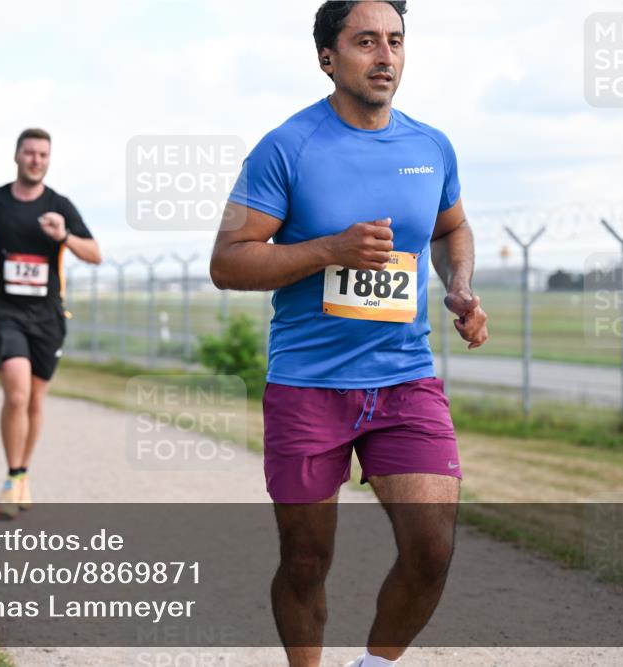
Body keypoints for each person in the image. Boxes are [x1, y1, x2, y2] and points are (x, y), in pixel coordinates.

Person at [209, 3, 489, 666]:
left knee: (433, 546)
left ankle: (374, 662)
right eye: (366, 42)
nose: (385, 56)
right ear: (328, 58)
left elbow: (451, 229)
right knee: (305, 558)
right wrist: (330, 248)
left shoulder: (431, 145)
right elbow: (229, 259)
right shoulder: (288, 146)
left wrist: (458, 285)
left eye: (395, 41)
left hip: (404, 376)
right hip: (308, 386)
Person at [0, 128, 101, 519]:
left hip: (47, 318)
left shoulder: (60, 205)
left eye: (42, 154)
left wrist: (65, 236)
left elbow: (94, 254)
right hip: (4, 313)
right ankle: (12, 476)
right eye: (29, 153)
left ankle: (23, 474)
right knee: (18, 395)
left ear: (49, 159)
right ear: (16, 156)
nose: (35, 159)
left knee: (36, 400)